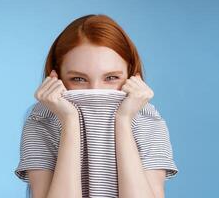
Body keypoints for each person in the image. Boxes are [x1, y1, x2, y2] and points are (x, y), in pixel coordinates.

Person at [16, 14, 178, 198]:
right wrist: (70, 122)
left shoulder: (147, 119)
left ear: (132, 75)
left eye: (111, 78)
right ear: (56, 78)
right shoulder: (42, 120)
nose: (95, 90)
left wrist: (123, 121)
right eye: (78, 79)